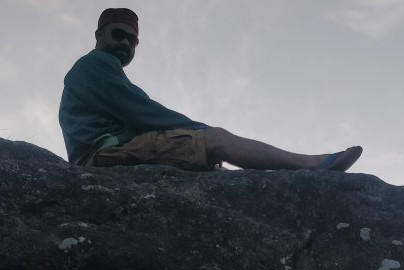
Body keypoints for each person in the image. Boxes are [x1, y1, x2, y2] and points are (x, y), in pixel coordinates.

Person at [59, 8, 362, 172]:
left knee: (212, 171)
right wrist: (203, 135)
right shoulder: (95, 64)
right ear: (99, 34)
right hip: (105, 156)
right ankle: (309, 164)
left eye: (133, 40)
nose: (126, 43)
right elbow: (144, 113)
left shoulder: (95, 71)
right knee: (216, 140)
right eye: (119, 35)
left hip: (108, 152)